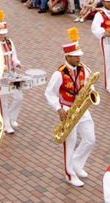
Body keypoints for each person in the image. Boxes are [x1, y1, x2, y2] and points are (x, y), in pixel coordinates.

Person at [43, 30, 95, 188]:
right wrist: (59, 109)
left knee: (90, 139)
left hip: (82, 107)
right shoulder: (59, 74)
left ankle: (77, 164)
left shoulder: (83, 69)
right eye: (75, 56)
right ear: (67, 57)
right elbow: (49, 93)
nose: (79, 58)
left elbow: (89, 83)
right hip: (67, 108)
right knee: (70, 143)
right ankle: (69, 174)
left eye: (79, 55)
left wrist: (90, 90)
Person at [0, 12, 22, 135]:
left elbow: (13, 55)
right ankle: (6, 124)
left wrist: (17, 62)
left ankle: (11, 117)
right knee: (4, 102)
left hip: (12, 74)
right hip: (1, 77)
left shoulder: (9, 42)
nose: (2, 35)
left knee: (18, 98)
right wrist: (2, 67)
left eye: (3, 33)